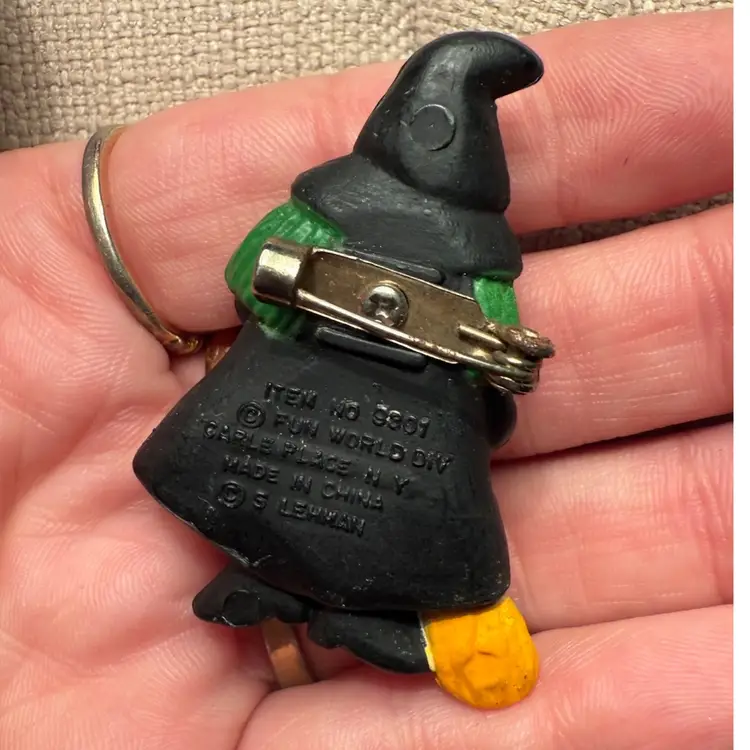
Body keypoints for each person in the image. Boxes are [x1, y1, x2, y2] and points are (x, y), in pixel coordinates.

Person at [0, 8, 732, 750]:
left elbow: (491, 353)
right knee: (284, 501)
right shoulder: (334, 226)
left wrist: (497, 369)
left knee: (409, 535)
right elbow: (253, 278)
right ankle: (302, 592)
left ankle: (358, 614)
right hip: (295, 423)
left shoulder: (453, 267)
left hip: (387, 441)